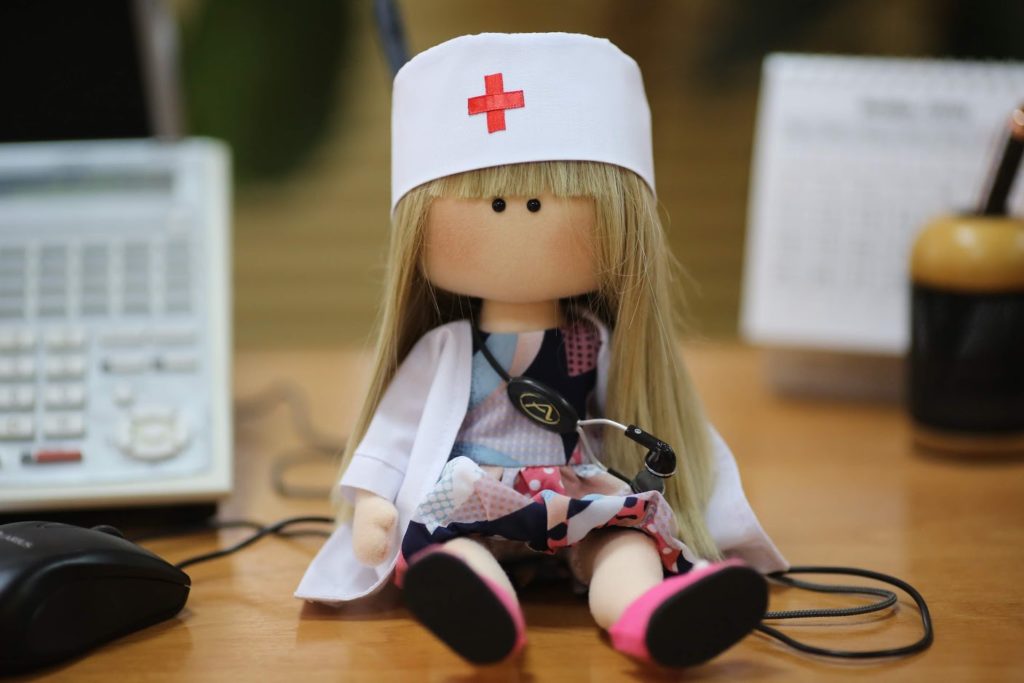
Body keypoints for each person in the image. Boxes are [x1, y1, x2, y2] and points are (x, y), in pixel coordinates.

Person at [296, 32, 787, 668]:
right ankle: (481, 610)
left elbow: (623, 414)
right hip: (471, 491)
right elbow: (394, 434)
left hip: (570, 485)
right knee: (451, 548)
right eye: (496, 203)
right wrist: (373, 505)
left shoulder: (592, 339)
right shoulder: (448, 348)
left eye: (536, 203)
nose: (518, 220)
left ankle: (645, 612)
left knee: (625, 541)